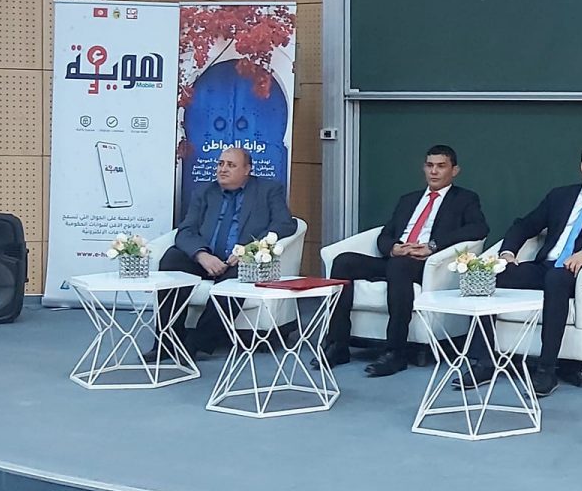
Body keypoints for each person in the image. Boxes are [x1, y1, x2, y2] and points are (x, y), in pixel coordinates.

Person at [478, 141, 582, 396]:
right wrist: (507, 254)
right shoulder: (560, 196)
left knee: (556, 278)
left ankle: (547, 370)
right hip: (545, 265)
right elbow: (524, 225)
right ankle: (483, 361)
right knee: (489, 275)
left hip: (579, 272)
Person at [326, 145, 489, 376]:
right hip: (397, 258)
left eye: (441, 166)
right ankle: (338, 345)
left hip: (427, 264)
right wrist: (393, 248)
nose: (434, 171)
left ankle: (395, 353)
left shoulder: (464, 199)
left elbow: (479, 228)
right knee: (343, 262)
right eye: (429, 166)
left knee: (399, 266)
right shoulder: (409, 199)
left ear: (454, 170)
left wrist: (432, 246)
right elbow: (385, 234)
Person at [148, 146, 297, 360]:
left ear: (247, 169)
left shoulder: (268, 190)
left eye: (231, 165)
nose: (222, 169)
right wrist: (201, 255)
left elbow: (285, 224)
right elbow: (186, 230)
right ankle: (166, 341)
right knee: (172, 258)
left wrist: (249, 249)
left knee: (241, 275)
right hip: (205, 258)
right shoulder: (204, 192)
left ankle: (195, 344)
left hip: (239, 261)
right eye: (220, 164)